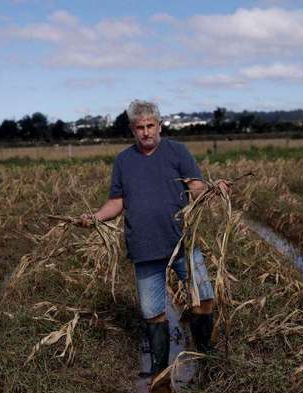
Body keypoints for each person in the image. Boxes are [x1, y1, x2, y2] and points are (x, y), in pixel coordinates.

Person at [78, 100, 229, 376]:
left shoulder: (177, 151)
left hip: (183, 242)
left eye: (150, 126)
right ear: (132, 130)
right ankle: (159, 368)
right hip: (144, 247)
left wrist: (211, 189)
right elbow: (116, 201)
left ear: (159, 125)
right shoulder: (124, 161)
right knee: (152, 312)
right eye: (140, 128)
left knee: (203, 297)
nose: (146, 132)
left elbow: (195, 186)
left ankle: (205, 353)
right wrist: (96, 217)